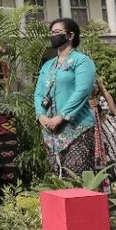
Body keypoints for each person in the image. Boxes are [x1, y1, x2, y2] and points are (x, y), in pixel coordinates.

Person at [33, 18, 97, 176]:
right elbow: (38, 93)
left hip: (77, 129)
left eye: (57, 32)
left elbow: (82, 91)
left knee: (77, 177)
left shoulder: (82, 61)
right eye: (51, 32)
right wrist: (41, 116)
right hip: (50, 130)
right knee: (56, 177)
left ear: (70, 36)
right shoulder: (47, 65)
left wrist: (61, 117)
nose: (52, 35)